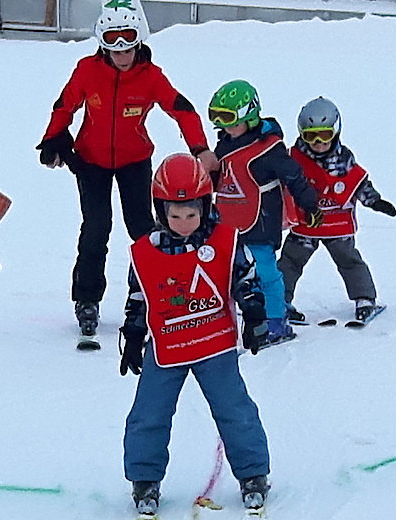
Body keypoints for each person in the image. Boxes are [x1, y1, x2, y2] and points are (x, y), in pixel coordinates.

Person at [36, 6, 219, 338]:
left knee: (143, 230)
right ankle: (87, 299)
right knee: (96, 228)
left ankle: (157, 291)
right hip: (90, 162)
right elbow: (65, 105)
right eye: (114, 45)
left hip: (134, 162)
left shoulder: (150, 77)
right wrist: (53, 137)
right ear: (103, 44)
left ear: (140, 41)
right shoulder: (87, 71)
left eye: (128, 45)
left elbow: (182, 109)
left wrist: (200, 150)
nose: (122, 53)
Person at [119, 154, 271, 517]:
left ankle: (252, 474)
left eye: (191, 214)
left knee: (234, 409)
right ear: (161, 211)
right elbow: (139, 295)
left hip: (214, 343)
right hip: (167, 346)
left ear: (205, 206)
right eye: (175, 215)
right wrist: (134, 332)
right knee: (149, 413)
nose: (184, 223)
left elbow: (245, 281)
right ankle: (144, 480)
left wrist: (253, 314)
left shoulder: (226, 242)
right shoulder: (145, 251)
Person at [207, 79, 322, 345]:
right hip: (228, 220)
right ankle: (234, 318)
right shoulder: (225, 142)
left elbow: (294, 176)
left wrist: (310, 204)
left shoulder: (269, 149)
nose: (226, 128)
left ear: (249, 114)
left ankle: (276, 321)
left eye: (231, 121)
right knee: (228, 270)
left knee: (266, 271)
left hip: (260, 220)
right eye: (220, 121)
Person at [278, 97, 396, 324]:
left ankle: (364, 299)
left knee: (349, 260)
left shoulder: (344, 159)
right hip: (306, 225)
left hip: (337, 224)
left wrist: (374, 201)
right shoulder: (294, 159)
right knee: (290, 261)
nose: (319, 143)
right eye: (311, 137)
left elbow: (358, 182)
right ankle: (280, 301)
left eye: (324, 136)